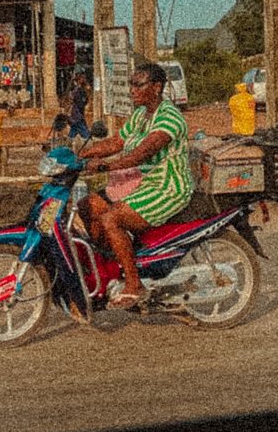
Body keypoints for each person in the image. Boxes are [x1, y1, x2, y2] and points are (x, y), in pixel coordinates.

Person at [79, 62, 194, 309]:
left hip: (167, 188)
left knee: (111, 219)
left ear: (156, 87)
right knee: (86, 206)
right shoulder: (141, 115)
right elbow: (116, 142)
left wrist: (104, 166)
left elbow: (141, 154)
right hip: (142, 183)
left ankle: (134, 284)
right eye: (130, 84)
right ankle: (108, 270)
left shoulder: (169, 118)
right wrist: (80, 154)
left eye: (137, 84)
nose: (132, 90)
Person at [68, 72, 90, 141]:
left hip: (76, 115)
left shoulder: (79, 90)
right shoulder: (78, 90)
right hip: (77, 115)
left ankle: (68, 143)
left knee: (73, 132)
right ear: (79, 80)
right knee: (86, 134)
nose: (84, 80)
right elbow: (81, 102)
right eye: (82, 78)